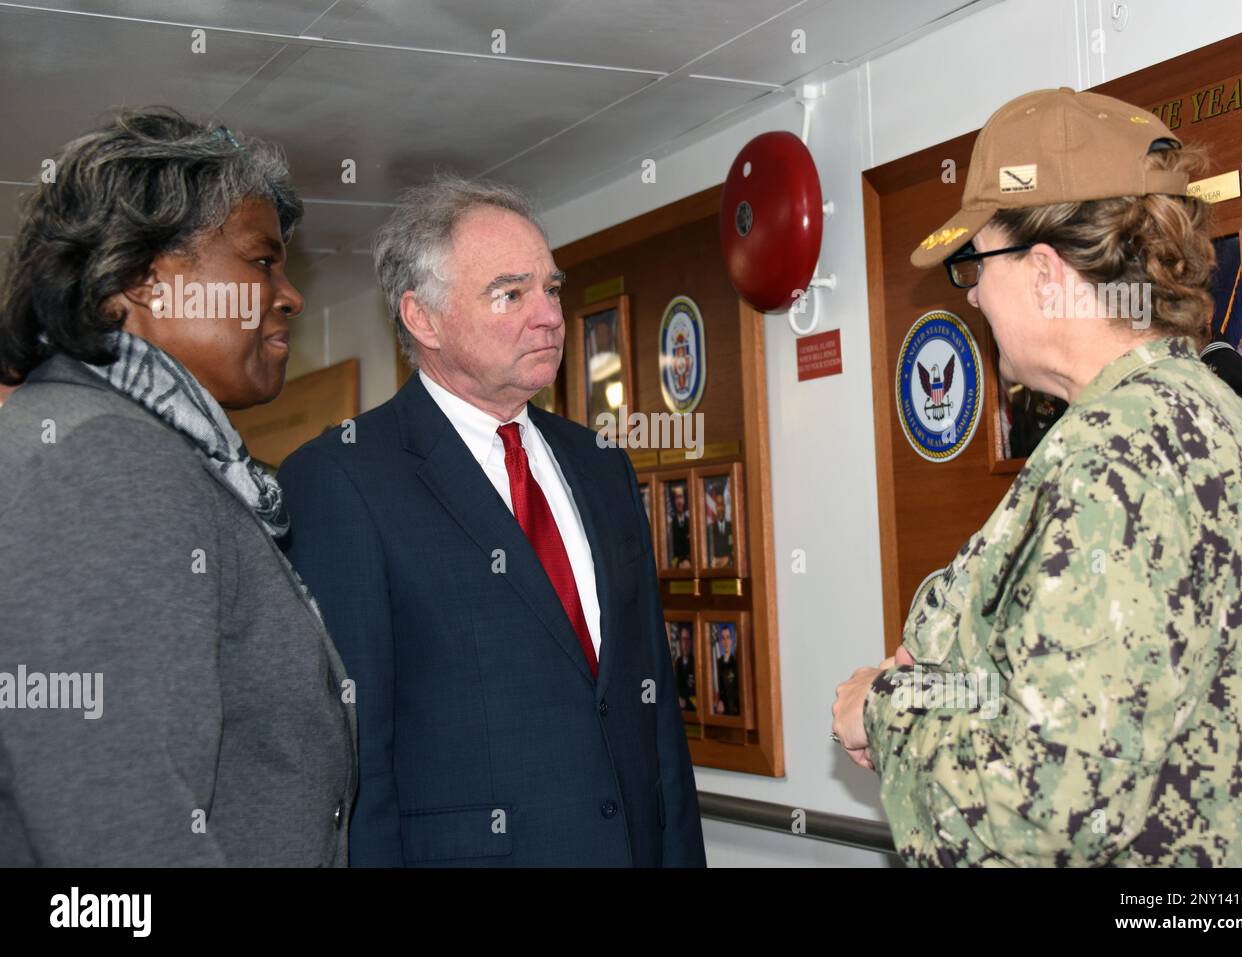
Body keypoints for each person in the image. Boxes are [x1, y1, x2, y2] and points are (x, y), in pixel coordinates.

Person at [832, 87, 1242, 866]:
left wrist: (881, 710)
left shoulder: (1109, 466)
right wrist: (909, 692)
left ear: (1046, 272)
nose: (973, 291)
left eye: (975, 264)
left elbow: (1049, 800)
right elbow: (1059, 698)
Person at [277, 171, 705, 867]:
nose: (548, 316)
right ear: (424, 318)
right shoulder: (343, 480)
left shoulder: (601, 467)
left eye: (552, 288)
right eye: (511, 293)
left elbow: (654, 721)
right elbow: (353, 760)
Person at [0, 108, 356, 866]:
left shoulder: (120, 441)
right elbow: (116, 836)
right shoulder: (105, 457)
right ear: (143, 280)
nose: (289, 295)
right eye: (262, 261)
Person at [713, 625, 740, 717]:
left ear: (732, 640)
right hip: (720, 711)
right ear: (720, 642)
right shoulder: (717, 663)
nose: (726, 641)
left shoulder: (736, 663)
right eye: (723, 638)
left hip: (734, 711)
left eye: (728, 637)